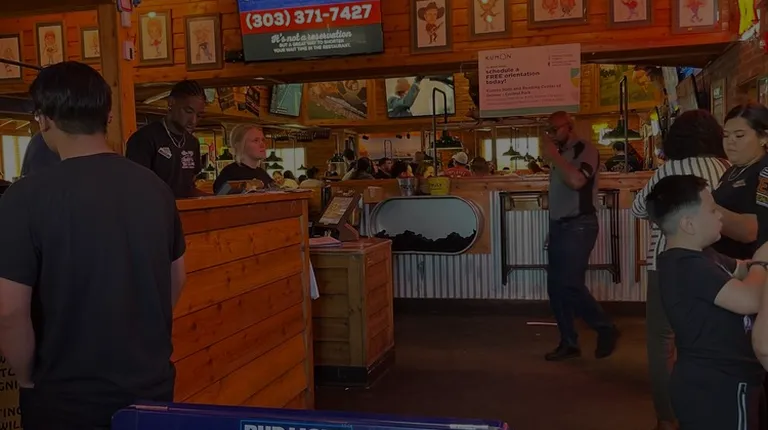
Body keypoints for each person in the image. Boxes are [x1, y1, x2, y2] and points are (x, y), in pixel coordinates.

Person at [0, 61, 186, 430]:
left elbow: (8, 311)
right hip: (151, 390)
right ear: (108, 116)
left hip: (65, 400)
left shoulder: (24, 197)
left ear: (44, 120)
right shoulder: (156, 189)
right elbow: (176, 278)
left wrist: (26, 378)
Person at [631, 109, 730, 430]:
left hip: (666, 263)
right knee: (713, 340)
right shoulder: (727, 168)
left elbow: (638, 208)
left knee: (662, 341)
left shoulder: (668, 170)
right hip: (718, 264)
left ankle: (667, 418)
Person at [648, 175, 768, 430]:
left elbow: (742, 269)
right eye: (713, 210)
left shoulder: (703, 256)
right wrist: (762, 261)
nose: (720, 216)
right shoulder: (685, 266)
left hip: (725, 381)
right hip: (717, 388)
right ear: (689, 224)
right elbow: (749, 300)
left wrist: (754, 266)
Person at [540, 111, 618, 362]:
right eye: (548, 131)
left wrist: (553, 156)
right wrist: (553, 226)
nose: (551, 135)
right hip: (560, 227)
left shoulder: (586, 149)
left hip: (580, 225)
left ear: (569, 127)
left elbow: (577, 181)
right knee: (556, 287)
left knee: (570, 284)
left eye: (554, 130)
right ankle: (569, 342)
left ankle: (605, 328)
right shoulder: (561, 154)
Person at [125, 80, 205, 198]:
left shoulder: (193, 143)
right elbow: (136, 188)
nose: (193, 121)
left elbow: (188, 188)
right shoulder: (144, 139)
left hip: (186, 209)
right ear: (171, 103)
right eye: (188, 111)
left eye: (199, 116)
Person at [712, 103, 768, 260]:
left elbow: (753, 230)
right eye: (726, 135)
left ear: (763, 137)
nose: (730, 141)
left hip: (753, 266)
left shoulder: (765, 171)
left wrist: (705, 207)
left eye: (739, 136)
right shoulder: (731, 171)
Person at [212, 125, 273, 194]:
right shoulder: (230, 173)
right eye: (256, 140)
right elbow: (220, 197)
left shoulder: (262, 174)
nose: (262, 144)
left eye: (263, 140)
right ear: (239, 145)